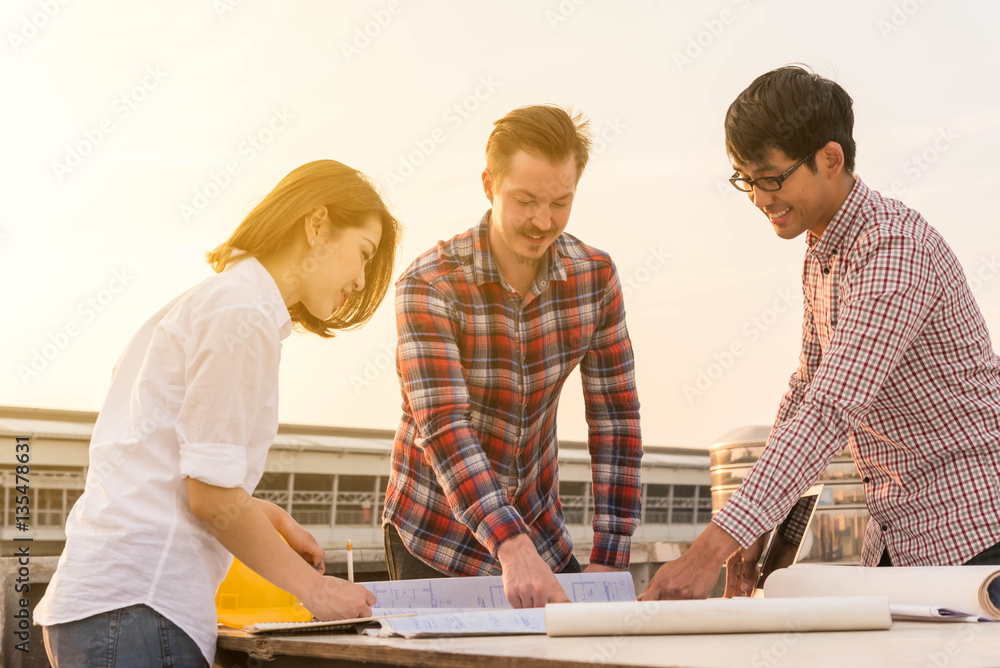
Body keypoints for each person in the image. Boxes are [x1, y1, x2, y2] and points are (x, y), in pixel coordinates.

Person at [639, 66, 1000, 602]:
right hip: (899, 540)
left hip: (973, 535)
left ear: (831, 159)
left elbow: (831, 407)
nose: (759, 198)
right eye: (745, 178)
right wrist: (766, 523)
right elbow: (806, 389)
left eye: (771, 177)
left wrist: (707, 552)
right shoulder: (822, 253)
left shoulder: (893, 250)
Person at [35, 160, 399, 667]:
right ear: (316, 225)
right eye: (363, 254)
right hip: (140, 610)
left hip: (106, 607)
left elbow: (163, 466)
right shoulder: (242, 314)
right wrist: (317, 591)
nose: (361, 280)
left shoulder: (206, 304)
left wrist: (270, 516)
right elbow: (208, 495)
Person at [382, 104, 643, 608]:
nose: (542, 222)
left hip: (541, 530)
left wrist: (612, 552)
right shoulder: (430, 283)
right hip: (436, 536)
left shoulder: (595, 278)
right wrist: (508, 543)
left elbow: (616, 419)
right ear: (488, 185)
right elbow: (443, 424)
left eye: (560, 202)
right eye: (524, 200)